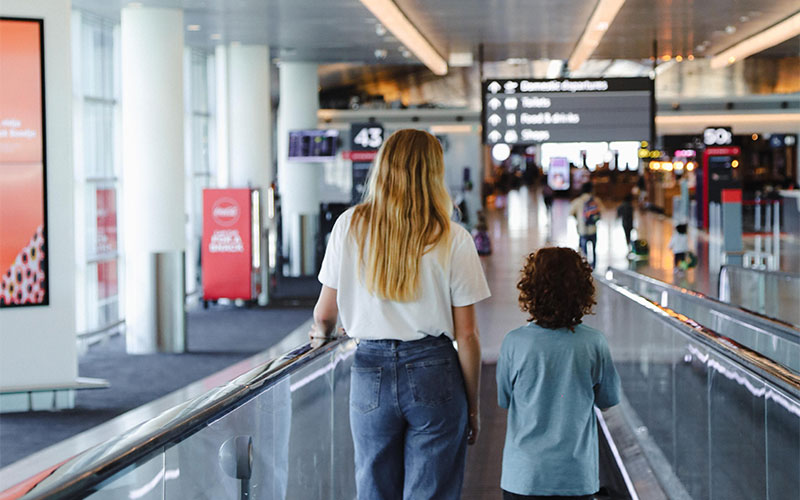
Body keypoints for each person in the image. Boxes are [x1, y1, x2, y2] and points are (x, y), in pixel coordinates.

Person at [311, 129, 491, 500]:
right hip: (435, 370)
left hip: (369, 369)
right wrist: (472, 405)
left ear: (382, 167)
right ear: (433, 174)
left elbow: (324, 314)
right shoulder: (453, 238)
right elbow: (468, 336)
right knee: (433, 491)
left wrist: (321, 334)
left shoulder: (349, 226)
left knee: (374, 485)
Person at [497, 247, 621, 500]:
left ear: (529, 289)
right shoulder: (594, 343)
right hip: (575, 476)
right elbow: (607, 401)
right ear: (582, 291)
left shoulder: (514, 343)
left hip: (523, 476)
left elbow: (504, 399)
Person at [569, 182, 599, 267]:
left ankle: (585, 266)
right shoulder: (595, 200)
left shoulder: (578, 201)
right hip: (593, 229)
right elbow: (600, 212)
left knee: (583, 251)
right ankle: (594, 266)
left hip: (583, 230)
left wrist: (578, 218)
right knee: (594, 249)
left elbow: (570, 212)